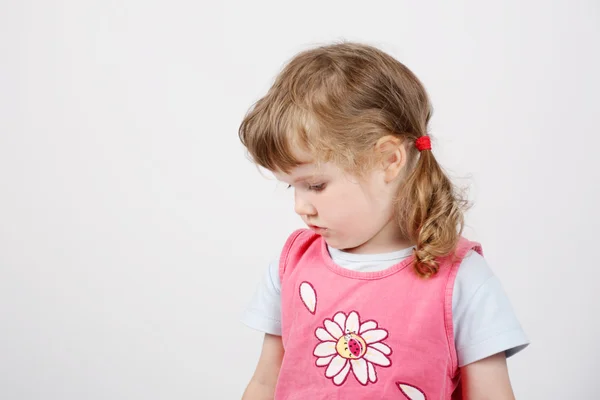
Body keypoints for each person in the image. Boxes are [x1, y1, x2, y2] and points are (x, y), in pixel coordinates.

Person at [238, 42, 529, 400]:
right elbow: (266, 382)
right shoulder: (292, 267)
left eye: (315, 185)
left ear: (389, 160)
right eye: (292, 188)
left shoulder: (462, 281)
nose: (301, 206)